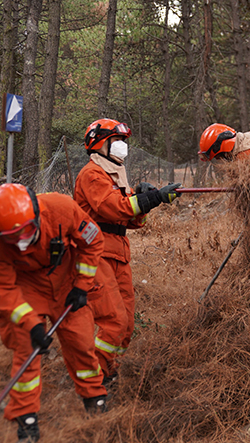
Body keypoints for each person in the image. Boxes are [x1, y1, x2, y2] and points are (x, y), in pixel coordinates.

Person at [0, 183, 111, 443]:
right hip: (27, 286)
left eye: (26, 231)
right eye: (11, 237)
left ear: (37, 214)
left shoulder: (62, 208)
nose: (20, 241)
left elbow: (93, 241)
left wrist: (82, 285)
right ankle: (26, 421)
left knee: (81, 342)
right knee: (27, 348)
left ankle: (95, 399)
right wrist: (31, 325)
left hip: (66, 279)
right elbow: (0, 288)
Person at [74, 118, 181, 386]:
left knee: (127, 322)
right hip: (96, 255)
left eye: (123, 141)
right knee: (114, 320)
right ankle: (97, 379)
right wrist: (151, 198)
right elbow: (113, 208)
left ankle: (113, 370)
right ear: (100, 144)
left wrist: (146, 201)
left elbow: (131, 220)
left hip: (118, 255)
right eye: (117, 141)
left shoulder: (114, 174)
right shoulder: (92, 174)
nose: (123, 146)